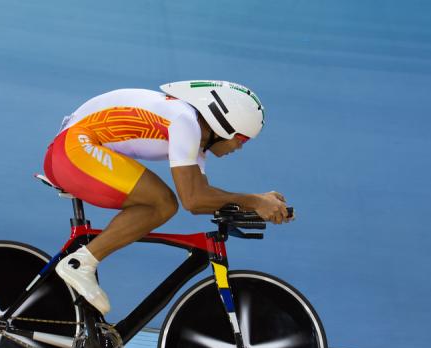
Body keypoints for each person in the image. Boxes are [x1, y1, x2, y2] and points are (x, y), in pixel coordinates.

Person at [42, 80, 291, 316]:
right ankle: (80, 263)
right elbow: (192, 199)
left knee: (162, 204)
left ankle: (83, 263)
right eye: (241, 139)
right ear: (223, 124)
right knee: (161, 203)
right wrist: (256, 201)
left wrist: (257, 204)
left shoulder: (194, 136)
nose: (239, 148)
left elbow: (202, 198)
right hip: (72, 149)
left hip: (72, 149)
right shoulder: (186, 121)